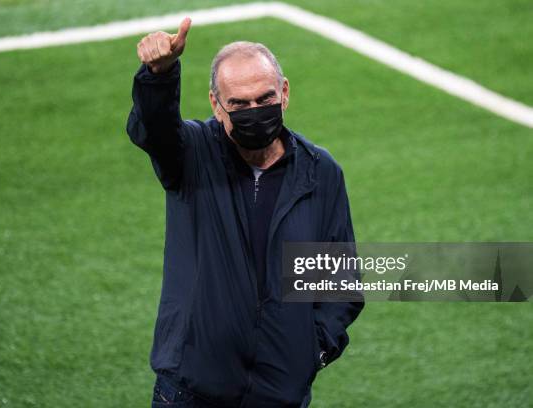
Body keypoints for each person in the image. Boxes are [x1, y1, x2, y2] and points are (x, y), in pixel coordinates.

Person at [126, 16, 364, 408]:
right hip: (190, 391)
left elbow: (340, 283)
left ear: (284, 93)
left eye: (264, 99)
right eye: (238, 103)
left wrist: (310, 351)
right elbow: (153, 129)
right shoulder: (191, 155)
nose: (254, 111)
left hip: (279, 396)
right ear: (216, 105)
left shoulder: (320, 173)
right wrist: (159, 73)